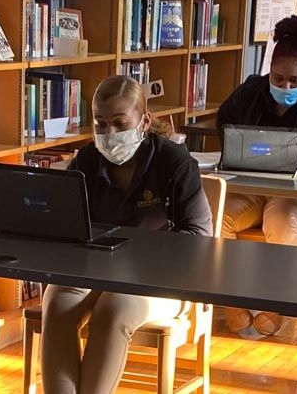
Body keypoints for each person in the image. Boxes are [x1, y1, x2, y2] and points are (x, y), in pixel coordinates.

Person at [41, 75, 212, 394]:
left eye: (120, 123)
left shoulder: (173, 162)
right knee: (56, 302)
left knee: (114, 308)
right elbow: (65, 222)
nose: (110, 134)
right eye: (100, 124)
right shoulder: (88, 161)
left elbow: (199, 237)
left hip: (161, 278)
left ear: (144, 121)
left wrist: (137, 254)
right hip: (94, 271)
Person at [216, 15, 297, 336]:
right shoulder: (248, 93)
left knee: (280, 218)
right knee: (218, 214)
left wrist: (293, 153)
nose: (285, 87)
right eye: (277, 79)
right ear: (269, 71)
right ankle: (233, 301)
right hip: (253, 187)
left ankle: (278, 305)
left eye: (295, 80)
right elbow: (225, 128)